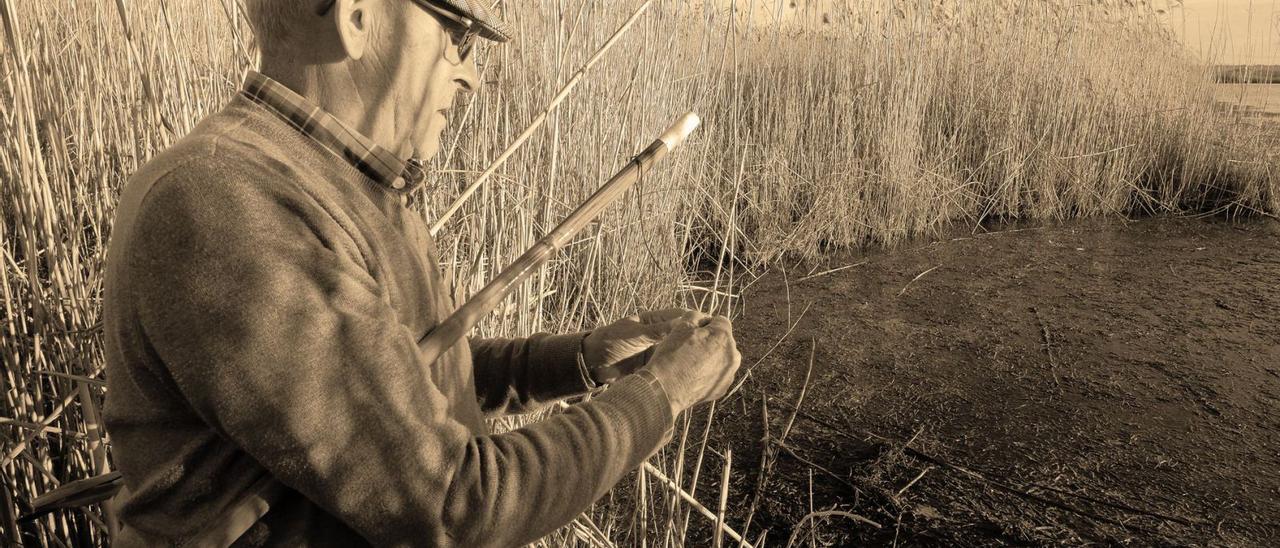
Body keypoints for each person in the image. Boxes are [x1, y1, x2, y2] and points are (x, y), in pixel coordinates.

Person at [100, 0, 741, 545]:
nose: (470, 79)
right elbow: (454, 507)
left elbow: (398, 380)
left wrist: (582, 361)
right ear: (354, 16)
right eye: (457, 37)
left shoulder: (341, 180)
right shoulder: (226, 205)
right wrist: (662, 394)